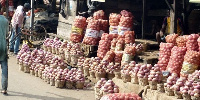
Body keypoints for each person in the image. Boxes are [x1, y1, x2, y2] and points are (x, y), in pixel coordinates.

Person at [0, 3, 9, 95]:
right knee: (4, 67)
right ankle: (4, 88)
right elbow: (7, 34)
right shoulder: (5, 20)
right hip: (2, 47)